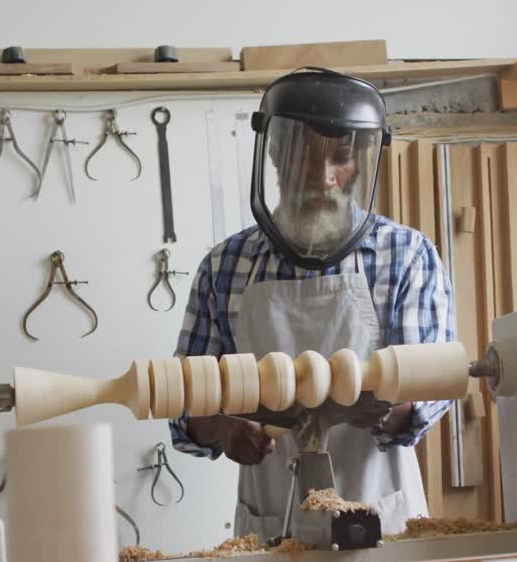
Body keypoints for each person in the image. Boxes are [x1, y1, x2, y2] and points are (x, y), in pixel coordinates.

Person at [169, 67, 456, 538]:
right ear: (277, 156)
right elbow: (185, 403)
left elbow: (430, 394)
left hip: (381, 518)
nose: (323, 178)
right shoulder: (226, 266)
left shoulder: (406, 257)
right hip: (269, 526)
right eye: (305, 156)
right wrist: (227, 430)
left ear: (360, 163)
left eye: (340, 159)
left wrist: (383, 406)